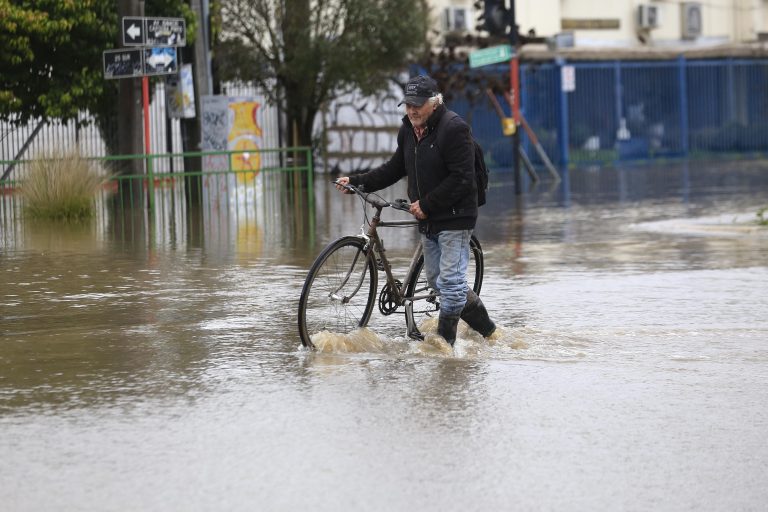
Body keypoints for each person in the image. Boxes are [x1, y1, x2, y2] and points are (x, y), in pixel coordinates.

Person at [335, 74, 496, 346]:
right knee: (437, 282)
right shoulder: (408, 130)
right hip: (429, 218)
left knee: (452, 286)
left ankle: (444, 350)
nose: (412, 110)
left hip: (457, 217)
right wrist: (357, 181)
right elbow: (396, 168)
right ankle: (490, 332)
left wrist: (427, 203)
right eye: (408, 104)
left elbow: (462, 178)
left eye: (418, 104)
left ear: (435, 103)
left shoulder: (454, 129)